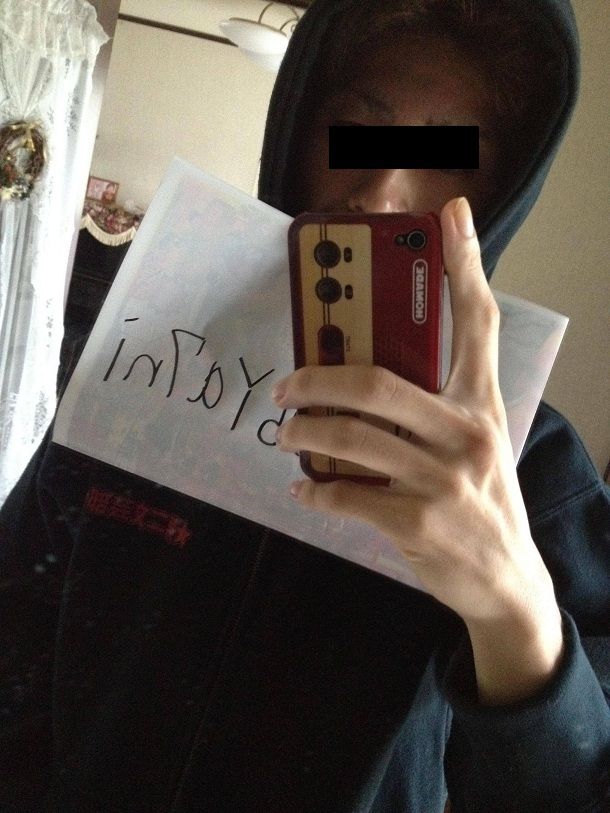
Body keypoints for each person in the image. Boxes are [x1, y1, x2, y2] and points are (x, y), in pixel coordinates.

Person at [1, 0, 608, 811]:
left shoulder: (532, 465)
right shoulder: (153, 351)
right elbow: (19, 610)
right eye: (357, 130)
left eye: (449, 157)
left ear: (500, 189)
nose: (384, 194)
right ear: (297, 130)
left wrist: (513, 609)